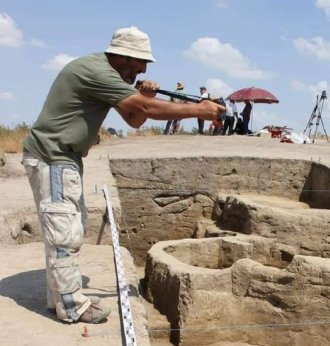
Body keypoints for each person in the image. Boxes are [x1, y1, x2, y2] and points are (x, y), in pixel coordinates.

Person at [21, 26, 225, 325]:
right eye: (141, 62)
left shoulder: (108, 76)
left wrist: (145, 95)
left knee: (70, 228)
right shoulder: (96, 71)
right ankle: (71, 306)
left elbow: (134, 119)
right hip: (53, 156)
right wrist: (197, 110)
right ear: (123, 56)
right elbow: (144, 110)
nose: (143, 68)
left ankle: (60, 298)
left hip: (65, 157)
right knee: (64, 233)